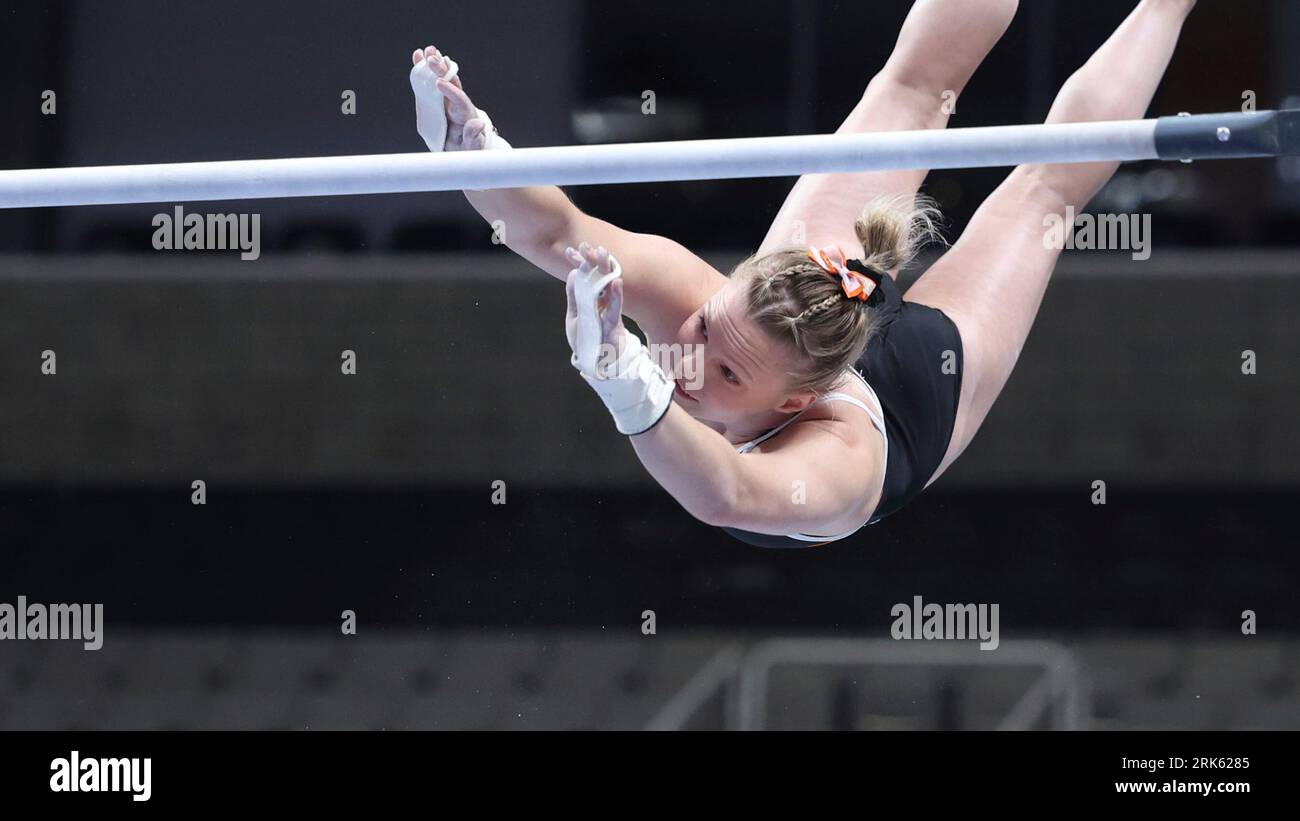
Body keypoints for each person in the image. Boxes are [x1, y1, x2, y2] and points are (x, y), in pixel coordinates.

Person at [410, 0, 1198, 547]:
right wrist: (468, 149)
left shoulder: (781, 366)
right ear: (793, 401)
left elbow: (726, 493)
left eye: (720, 367)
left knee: (923, 92)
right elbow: (556, 229)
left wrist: (621, 372)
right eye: (710, 335)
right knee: (1039, 193)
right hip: (921, 392)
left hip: (825, 322)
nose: (687, 356)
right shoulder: (841, 460)